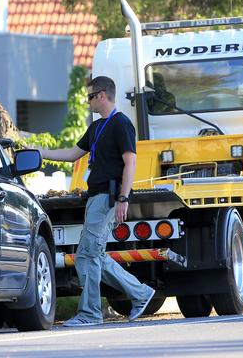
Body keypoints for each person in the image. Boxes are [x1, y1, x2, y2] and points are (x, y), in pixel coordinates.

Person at [37, 76, 155, 327]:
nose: (88, 101)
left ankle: (90, 313)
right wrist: (41, 153)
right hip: (95, 197)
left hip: (108, 198)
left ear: (102, 95)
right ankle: (141, 293)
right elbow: (72, 154)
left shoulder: (121, 123)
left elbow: (130, 162)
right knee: (95, 255)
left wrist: (123, 198)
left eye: (90, 96)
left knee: (85, 256)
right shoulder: (96, 127)